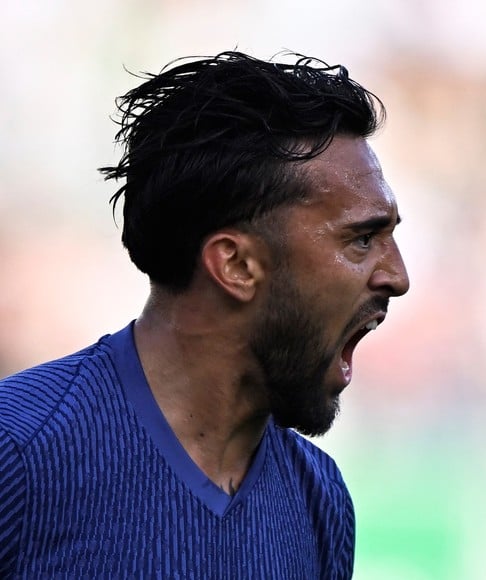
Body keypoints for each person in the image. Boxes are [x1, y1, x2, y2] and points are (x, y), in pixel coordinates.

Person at [0, 50, 409, 578]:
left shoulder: (319, 501)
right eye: (362, 239)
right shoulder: (19, 452)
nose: (397, 276)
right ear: (236, 264)